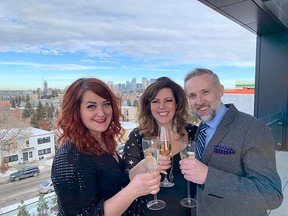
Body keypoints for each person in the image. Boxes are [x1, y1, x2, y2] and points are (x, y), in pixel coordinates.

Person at [180, 68, 283, 216]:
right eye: (192, 96)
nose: (199, 101)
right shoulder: (200, 128)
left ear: (221, 90)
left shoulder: (253, 129)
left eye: (205, 92)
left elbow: (272, 195)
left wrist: (208, 176)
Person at [51, 78, 161, 216]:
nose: (102, 112)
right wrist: (133, 190)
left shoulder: (102, 140)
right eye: (91, 106)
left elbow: (114, 182)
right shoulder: (69, 159)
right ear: (76, 110)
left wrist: (139, 169)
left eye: (106, 104)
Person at [122, 77, 198, 215]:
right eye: (155, 101)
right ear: (148, 106)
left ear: (177, 103)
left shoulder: (194, 133)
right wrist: (146, 164)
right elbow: (126, 178)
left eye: (168, 100)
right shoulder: (138, 136)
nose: (161, 106)